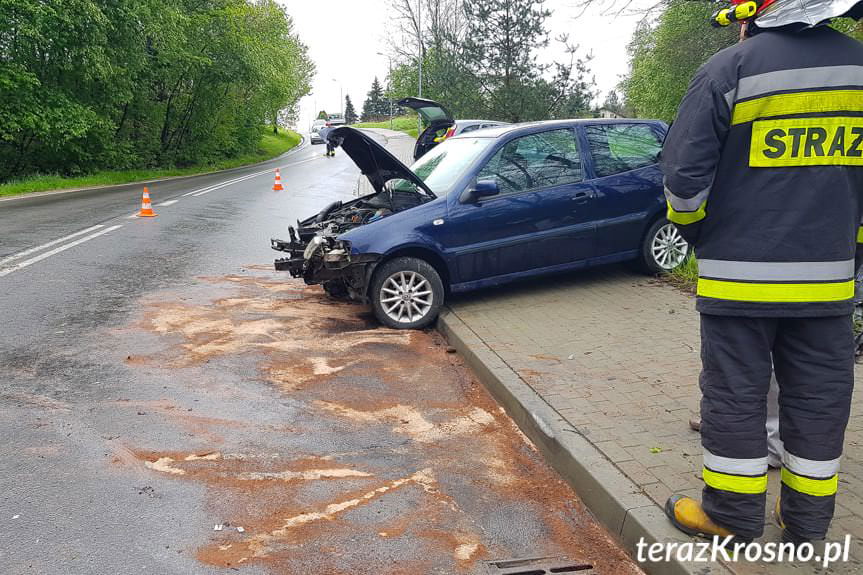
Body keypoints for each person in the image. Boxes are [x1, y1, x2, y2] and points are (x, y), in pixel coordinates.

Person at [661, 0, 863, 544]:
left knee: (734, 397)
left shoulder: (730, 69)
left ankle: (731, 518)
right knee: (819, 401)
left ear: (757, 14)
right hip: (830, 283)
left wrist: (699, 233)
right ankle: (805, 526)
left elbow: (683, 181)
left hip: (738, 281)